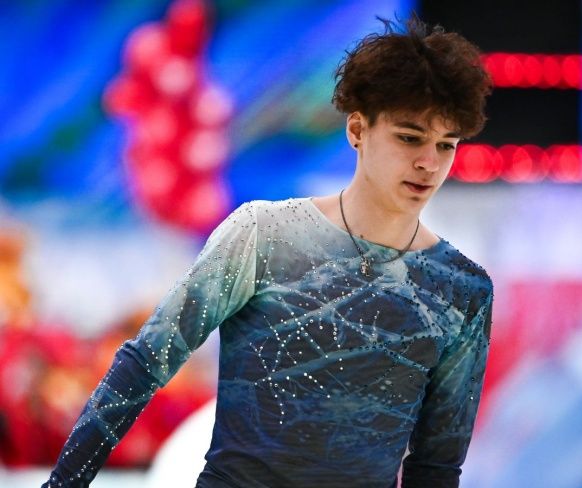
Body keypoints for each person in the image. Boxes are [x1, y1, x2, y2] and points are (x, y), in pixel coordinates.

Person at [44, 14, 494, 488]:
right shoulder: (265, 234)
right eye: (410, 138)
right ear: (357, 130)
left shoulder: (461, 288)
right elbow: (146, 362)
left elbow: (437, 464)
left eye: (446, 145)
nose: (429, 163)